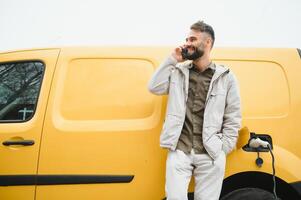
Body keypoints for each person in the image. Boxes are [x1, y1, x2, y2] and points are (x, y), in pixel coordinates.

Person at [147, 20, 242, 200]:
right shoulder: (178, 72)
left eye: (193, 39)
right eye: (187, 39)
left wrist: (223, 148)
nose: (187, 43)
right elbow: (154, 87)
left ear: (208, 43)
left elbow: (233, 116)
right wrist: (172, 59)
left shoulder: (226, 77)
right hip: (180, 150)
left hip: (211, 153)